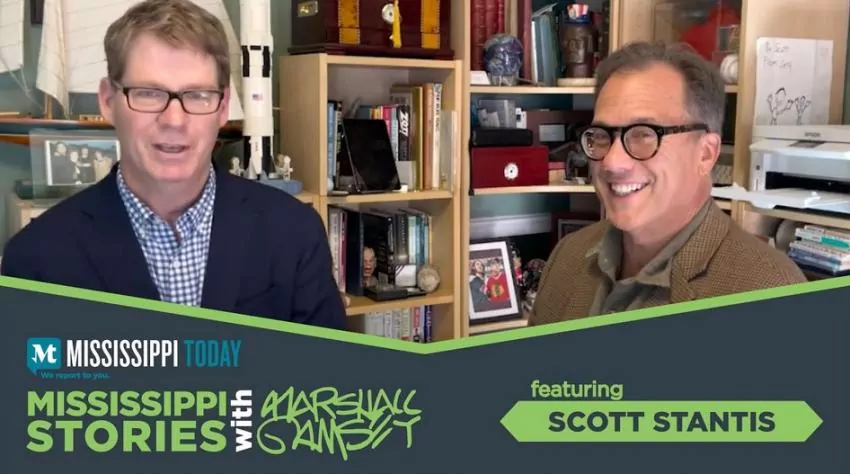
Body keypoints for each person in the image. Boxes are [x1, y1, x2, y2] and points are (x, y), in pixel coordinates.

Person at [1, 0, 346, 330]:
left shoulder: (295, 233)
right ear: (108, 101)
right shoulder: (35, 260)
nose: (174, 120)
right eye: (149, 93)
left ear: (223, 107)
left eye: (197, 95)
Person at [528, 41, 806, 326]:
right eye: (601, 135)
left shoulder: (772, 295)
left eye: (644, 134)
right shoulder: (567, 256)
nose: (612, 162)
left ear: (705, 153)